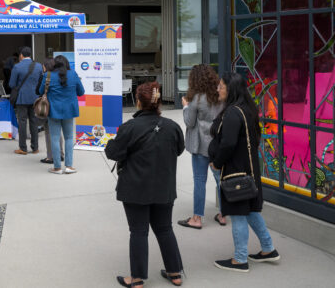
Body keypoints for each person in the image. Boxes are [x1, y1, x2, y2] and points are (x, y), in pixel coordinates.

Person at [105, 82, 185, 287]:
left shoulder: (130, 127)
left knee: (139, 231)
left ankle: (137, 278)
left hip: (136, 188)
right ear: (157, 103)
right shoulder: (172, 127)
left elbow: (113, 152)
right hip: (164, 187)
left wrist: (110, 142)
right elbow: (179, 149)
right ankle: (175, 272)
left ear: (139, 102)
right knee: (165, 228)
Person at [209, 72, 280, 272]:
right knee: (249, 210)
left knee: (238, 213)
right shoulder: (247, 109)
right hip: (247, 170)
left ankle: (240, 259)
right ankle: (268, 248)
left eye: (221, 86)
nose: (218, 89)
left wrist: (217, 162)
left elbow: (228, 143)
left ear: (230, 89)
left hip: (235, 171)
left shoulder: (232, 113)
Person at [177, 64, 225, 230]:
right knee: (220, 179)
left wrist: (185, 106)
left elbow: (189, 122)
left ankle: (197, 218)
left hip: (199, 145)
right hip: (217, 143)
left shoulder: (197, 98)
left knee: (199, 180)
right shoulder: (220, 96)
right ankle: (223, 215)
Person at [37, 55, 84, 174]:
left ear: (54, 64)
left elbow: (40, 91)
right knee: (69, 138)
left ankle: (57, 167)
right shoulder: (73, 74)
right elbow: (81, 92)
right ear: (67, 63)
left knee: (54, 138)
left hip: (53, 111)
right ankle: (69, 166)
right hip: (69, 111)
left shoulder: (48, 75)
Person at [9, 47, 42, 155]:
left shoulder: (17, 66)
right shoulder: (38, 66)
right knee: (34, 121)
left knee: (22, 122)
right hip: (35, 98)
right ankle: (35, 147)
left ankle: (23, 148)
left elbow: (12, 84)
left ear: (21, 55)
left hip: (22, 98)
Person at [36, 58, 63, 165]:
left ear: (46, 67)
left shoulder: (46, 76)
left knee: (49, 132)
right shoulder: (61, 75)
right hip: (59, 107)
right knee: (58, 132)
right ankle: (60, 154)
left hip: (48, 107)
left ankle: (51, 157)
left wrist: (42, 77)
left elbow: (38, 91)